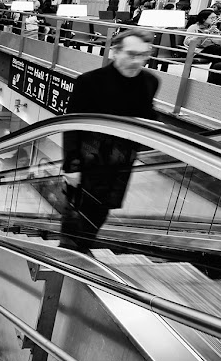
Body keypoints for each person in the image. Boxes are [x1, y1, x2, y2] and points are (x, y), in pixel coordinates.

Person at [60, 28, 159, 253]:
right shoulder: (89, 82)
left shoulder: (150, 82)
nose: (137, 61)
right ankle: (67, 255)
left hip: (121, 162)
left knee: (101, 211)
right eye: (131, 54)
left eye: (143, 55)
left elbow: (148, 113)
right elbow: (72, 125)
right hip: (88, 161)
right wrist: (71, 167)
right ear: (115, 52)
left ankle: (83, 251)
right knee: (75, 212)